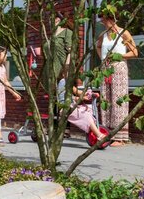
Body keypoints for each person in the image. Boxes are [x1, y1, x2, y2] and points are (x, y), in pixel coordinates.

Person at [96, 10, 138, 146]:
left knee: (118, 99)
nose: (102, 22)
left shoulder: (123, 33)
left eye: (103, 19)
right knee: (105, 99)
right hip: (105, 69)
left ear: (110, 18)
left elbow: (134, 52)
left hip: (119, 67)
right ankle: (107, 133)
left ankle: (120, 137)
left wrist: (118, 56)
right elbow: (97, 46)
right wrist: (103, 58)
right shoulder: (103, 35)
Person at [58, 77, 108, 143]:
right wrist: (88, 94)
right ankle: (99, 135)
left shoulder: (67, 82)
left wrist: (85, 97)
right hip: (65, 108)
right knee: (85, 115)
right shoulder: (64, 81)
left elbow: (72, 97)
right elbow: (77, 92)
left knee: (88, 109)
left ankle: (93, 128)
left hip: (70, 106)